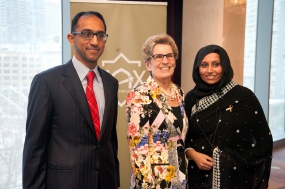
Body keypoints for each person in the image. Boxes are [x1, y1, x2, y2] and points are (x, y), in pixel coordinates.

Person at [22, 11, 120, 189]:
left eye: (100, 35)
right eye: (87, 34)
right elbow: (35, 148)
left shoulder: (111, 83)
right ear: (71, 38)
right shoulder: (47, 82)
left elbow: (110, 142)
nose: (95, 41)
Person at [184, 44, 273, 189]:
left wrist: (229, 161)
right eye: (204, 65)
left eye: (216, 64)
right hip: (197, 176)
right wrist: (192, 154)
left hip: (234, 180)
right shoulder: (190, 99)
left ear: (225, 66)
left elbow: (264, 141)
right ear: (197, 68)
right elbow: (183, 137)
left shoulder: (244, 97)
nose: (210, 70)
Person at [126, 33, 188, 189]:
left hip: (180, 178)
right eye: (158, 56)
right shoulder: (139, 95)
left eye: (169, 55)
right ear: (148, 64)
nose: (165, 61)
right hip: (154, 182)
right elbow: (138, 151)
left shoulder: (179, 92)